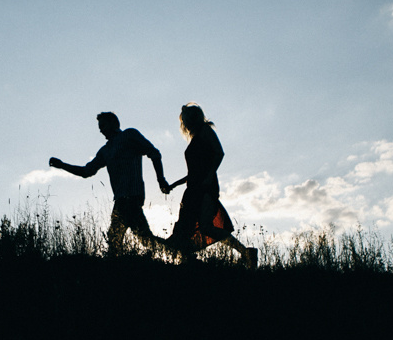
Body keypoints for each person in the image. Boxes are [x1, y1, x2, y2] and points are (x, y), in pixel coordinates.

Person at [49, 112, 170, 254]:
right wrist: (63, 165)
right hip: (120, 200)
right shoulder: (105, 151)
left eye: (103, 125)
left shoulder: (130, 135)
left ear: (113, 123)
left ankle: (177, 254)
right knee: (121, 239)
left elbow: (154, 153)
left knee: (134, 239)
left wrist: (161, 179)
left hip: (132, 196)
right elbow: (86, 171)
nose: (101, 130)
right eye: (100, 127)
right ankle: (175, 254)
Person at [163, 103, 258, 269]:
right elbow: (193, 172)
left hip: (206, 187)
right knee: (185, 228)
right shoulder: (194, 138)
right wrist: (174, 185)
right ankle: (188, 261)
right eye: (183, 120)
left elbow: (219, 152)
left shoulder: (205, 131)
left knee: (206, 226)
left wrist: (208, 176)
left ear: (194, 117)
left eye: (186, 119)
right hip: (193, 188)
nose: (184, 123)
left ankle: (246, 253)